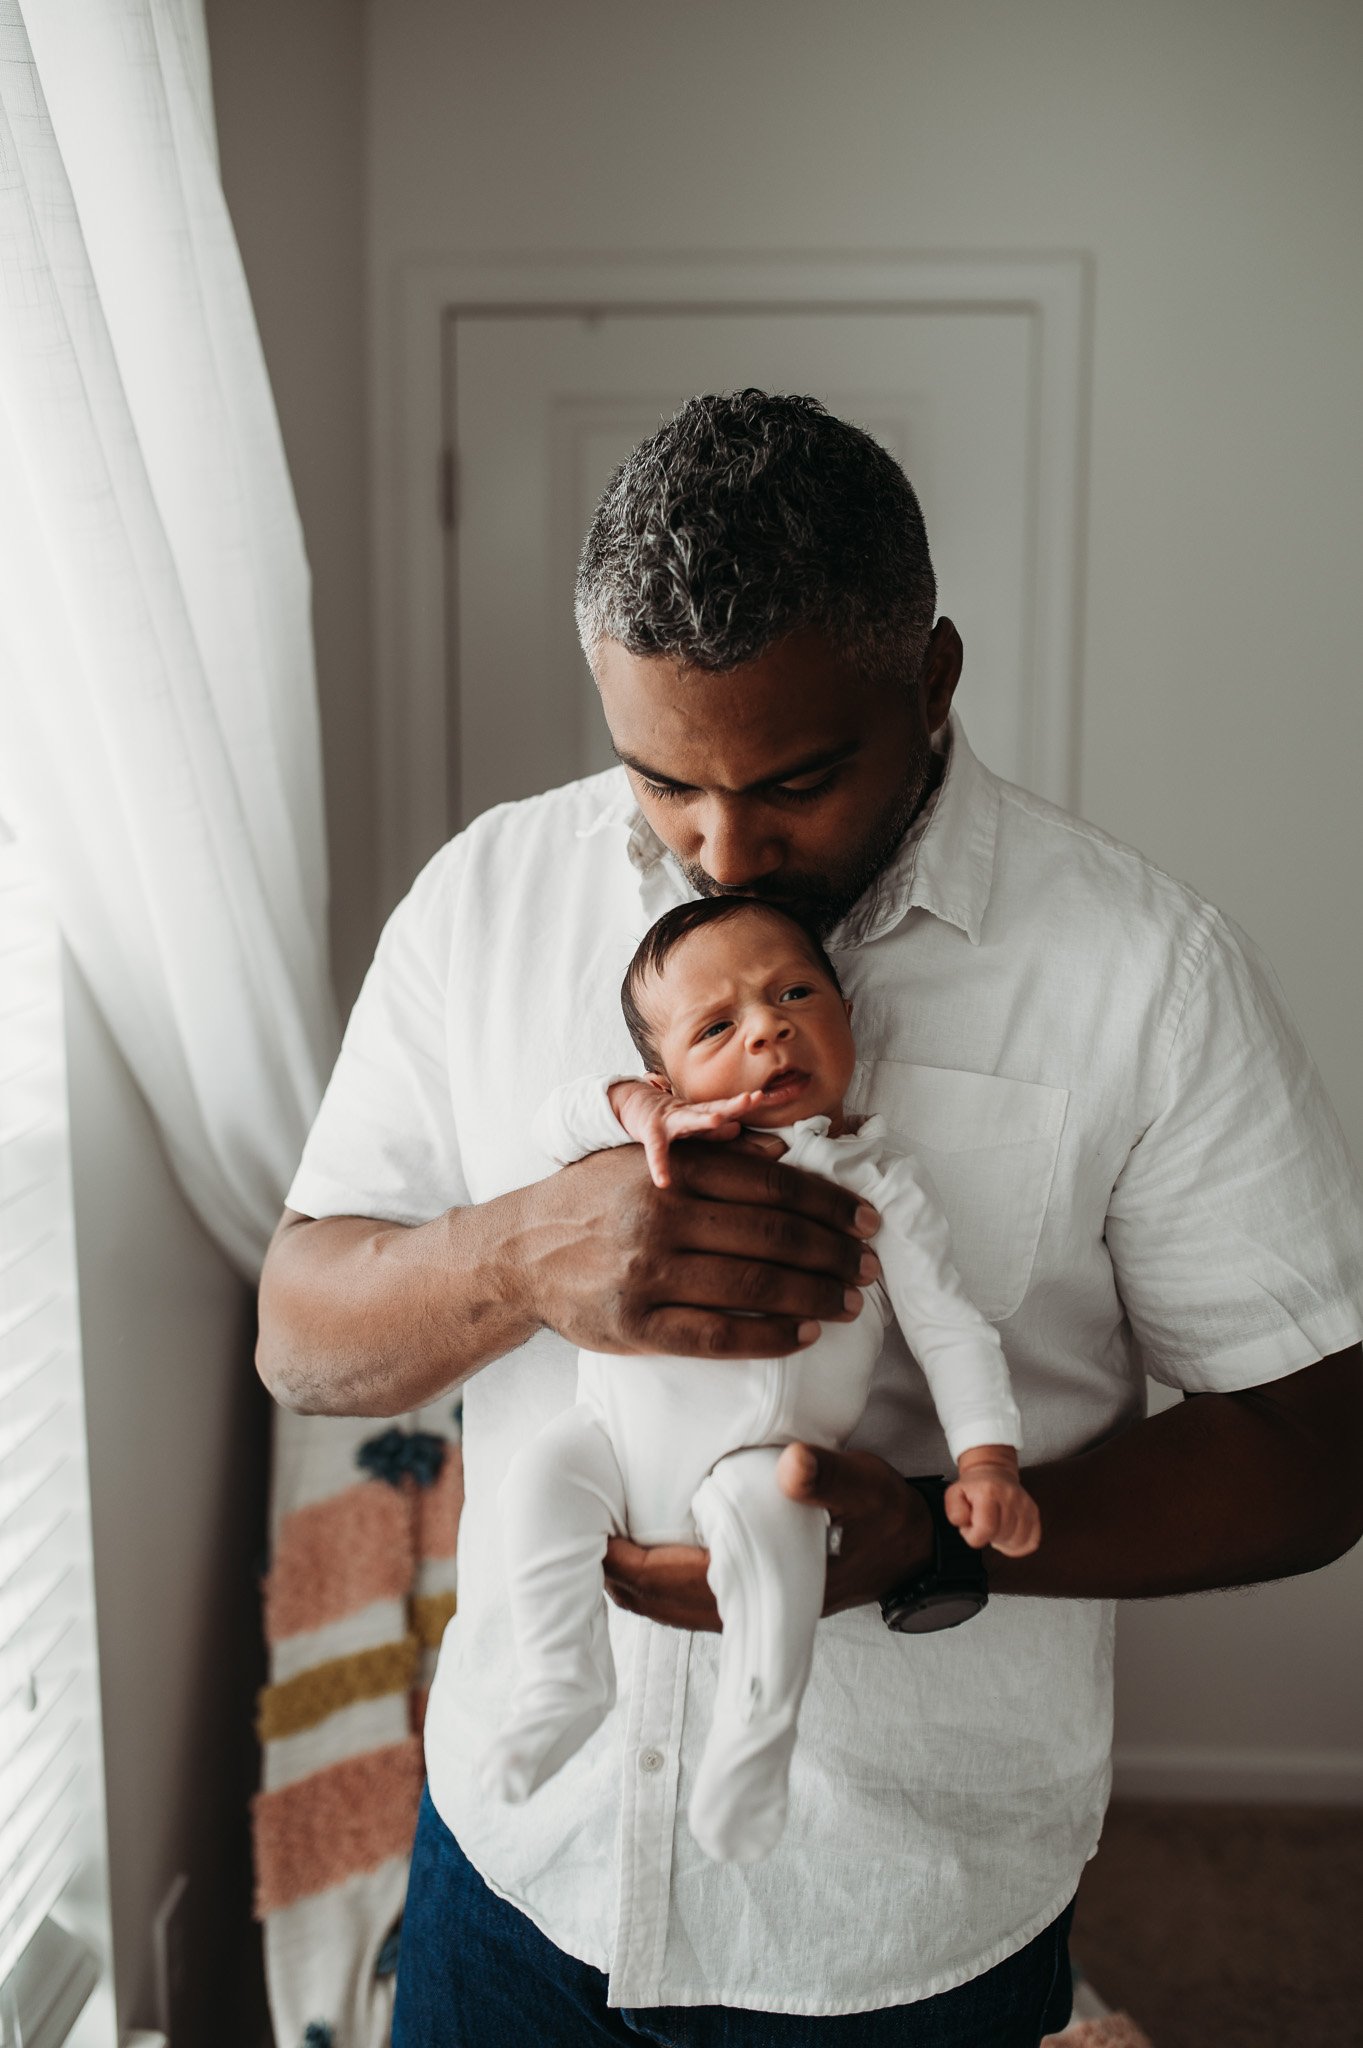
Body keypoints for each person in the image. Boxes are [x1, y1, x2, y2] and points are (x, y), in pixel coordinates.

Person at [258, 391, 1363, 2047]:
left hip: (895, 1921)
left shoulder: (1144, 975)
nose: (719, 847)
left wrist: (924, 1534)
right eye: (658, 783)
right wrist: (517, 1253)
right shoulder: (481, 900)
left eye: (793, 779)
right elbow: (300, 1328)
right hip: (512, 1864)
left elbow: (1314, 1445)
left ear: (927, 680)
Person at [487, 894, 1040, 1865]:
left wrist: (987, 1455)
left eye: (795, 993)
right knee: (536, 1481)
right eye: (718, 1023)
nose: (769, 1025)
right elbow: (547, 1117)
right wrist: (634, 1108)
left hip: (763, 1458)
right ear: (666, 1074)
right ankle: (559, 1677)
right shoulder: (654, 1147)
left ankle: (757, 1733)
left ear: (846, 1017)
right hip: (608, 1445)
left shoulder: (877, 1178)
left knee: (777, 1515)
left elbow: (950, 1323)